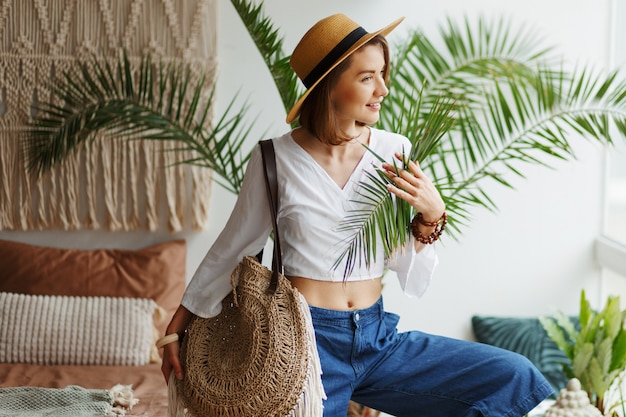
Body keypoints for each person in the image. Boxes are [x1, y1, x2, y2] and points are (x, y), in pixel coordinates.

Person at [159, 13, 554, 417]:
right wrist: (175, 329)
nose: (383, 88)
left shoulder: (394, 150)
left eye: (383, 73)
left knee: (512, 377)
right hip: (303, 347)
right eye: (367, 77)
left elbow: (405, 264)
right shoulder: (274, 159)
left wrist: (432, 216)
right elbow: (233, 246)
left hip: (379, 339)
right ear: (330, 86)